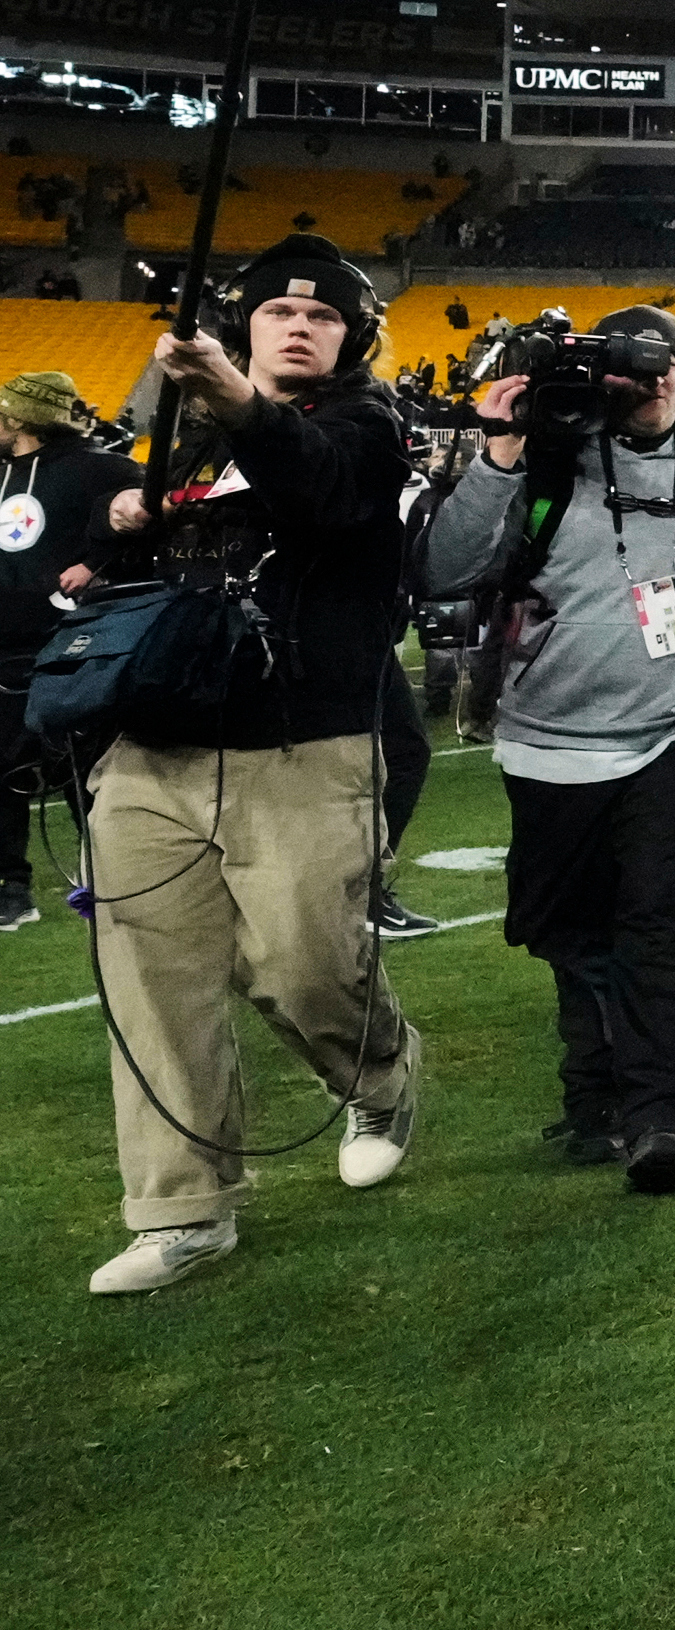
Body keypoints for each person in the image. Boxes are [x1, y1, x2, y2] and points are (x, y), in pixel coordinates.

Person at [72, 237, 424, 1293]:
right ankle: (181, 1209)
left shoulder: (371, 428)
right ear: (246, 326)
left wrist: (235, 401)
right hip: (157, 744)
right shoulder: (183, 435)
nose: (300, 325)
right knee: (153, 976)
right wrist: (126, 518)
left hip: (301, 745)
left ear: (353, 335)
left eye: (322, 316)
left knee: (303, 963)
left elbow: (319, 494)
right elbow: (145, 565)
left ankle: (381, 1073)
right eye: (277, 313)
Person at [420, 304, 675, 1193]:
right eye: (632, 370)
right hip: (549, 738)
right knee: (567, 927)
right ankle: (594, 1089)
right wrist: (498, 451)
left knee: (666, 921)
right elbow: (446, 572)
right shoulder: (545, 457)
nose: (652, 383)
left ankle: (666, 1116)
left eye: (666, 365)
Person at [0, 368, 132, 934]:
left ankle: (116, 879)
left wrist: (99, 563)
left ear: (20, 417)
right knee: (2, 771)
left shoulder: (102, 468)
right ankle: (11, 886)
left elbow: (151, 517)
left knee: (87, 767)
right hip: (3, 646)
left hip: (74, 645)